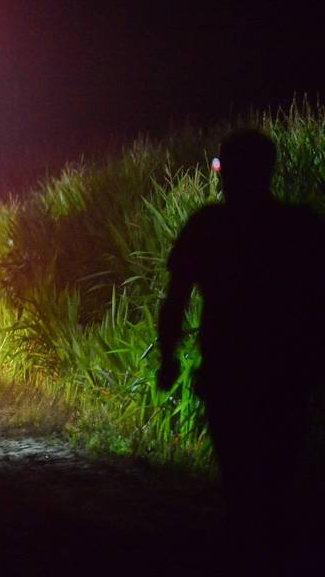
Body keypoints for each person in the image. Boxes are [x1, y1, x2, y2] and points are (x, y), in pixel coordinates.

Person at [157, 130, 323, 569]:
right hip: (287, 372)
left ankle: (246, 550)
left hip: (230, 371)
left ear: (225, 172)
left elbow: (176, 297)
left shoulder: (208, 226)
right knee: (278, 473)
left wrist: (167, 359)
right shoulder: (300, 226)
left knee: (238, 474)